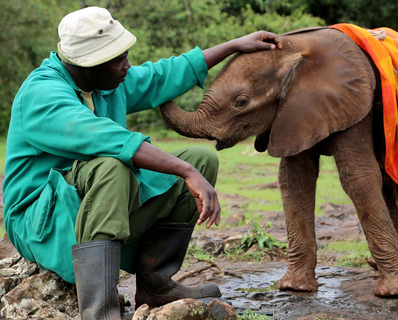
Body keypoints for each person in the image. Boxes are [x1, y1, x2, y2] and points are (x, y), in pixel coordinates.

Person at [2, 6, 282, 319]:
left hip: (91, 206)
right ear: (89, 66)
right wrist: (183, 170)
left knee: (200, 158)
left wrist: (234, 45)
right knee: (113, 166)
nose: (127, 66)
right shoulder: (43, 94)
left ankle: (156, 284)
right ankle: (100, 309)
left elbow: (160, 76)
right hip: (41, 221)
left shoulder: (105, 84)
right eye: (118, 60)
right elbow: (105, 138)